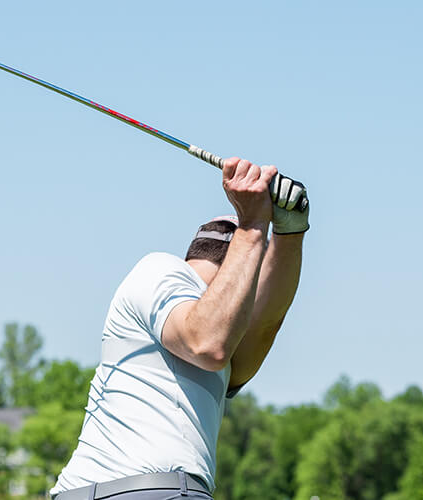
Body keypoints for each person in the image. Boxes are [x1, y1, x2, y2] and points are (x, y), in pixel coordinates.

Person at [49, 157, 308, 500]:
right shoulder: (158, 271)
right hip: (124, 489)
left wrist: (291, 233)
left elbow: (265, 325)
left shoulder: (224, 356)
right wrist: (253, 226)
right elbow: (207, 342)